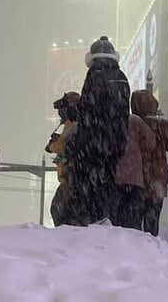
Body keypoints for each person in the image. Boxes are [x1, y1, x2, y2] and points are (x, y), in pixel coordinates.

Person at [64, 36, 130, 226]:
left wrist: (72, 110)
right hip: (115, 141)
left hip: (93, 142)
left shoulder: (94, 76)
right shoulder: (121, 77)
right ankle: (106, 217)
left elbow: (88, 110)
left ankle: (94, 220)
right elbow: (123, 111)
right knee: (107, 180)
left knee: (90, 185)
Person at [132, 90, 168, 237]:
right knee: (152, 221)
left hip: (136, 177)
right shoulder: (161, 124)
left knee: (134, 222)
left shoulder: (132, 124)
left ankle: (135, 246)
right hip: (157, 178)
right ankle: (151, 244)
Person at [111, 109, 157, 229]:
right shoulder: (135, 121)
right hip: (134, 177)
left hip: (113, 177)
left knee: (115, 221)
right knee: (133, 219)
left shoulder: (108, 121)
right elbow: (151, 142)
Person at [45, 92, 79, 226]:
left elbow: (61, 145)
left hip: (70, 180)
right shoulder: (73, 127)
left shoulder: (73, 127)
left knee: (59, 210)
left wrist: (51, 145)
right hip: (70, 179)